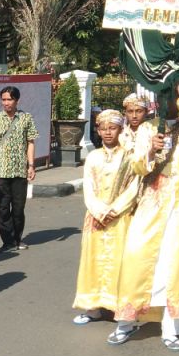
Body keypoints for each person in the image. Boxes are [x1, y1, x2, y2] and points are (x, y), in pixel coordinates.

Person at [110, 85, 179, 350]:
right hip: (152, 198)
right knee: (135, 255)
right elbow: (138, 166)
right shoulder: (149, 128)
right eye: (162, 97)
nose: (167, 103)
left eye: (172, 97)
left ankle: (171, 329)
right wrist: (150, 149)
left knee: (174, 264)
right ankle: (125, 323)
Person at [72, 110, 139, 325]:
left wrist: (116, 210)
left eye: (113, 128)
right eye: (103, 128)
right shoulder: (93, 156)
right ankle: (93, 307)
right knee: (94, 260)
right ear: (98, 131)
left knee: (121, 261)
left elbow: (134, 186)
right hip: (96, 216)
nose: (108, 133)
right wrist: (99, 211)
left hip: (121, 217)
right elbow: (89, 188)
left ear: (121, 129)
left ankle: (120, 306)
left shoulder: (129, 156)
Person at [0, 85, 37, 251]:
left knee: (19, 208)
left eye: (9, 99)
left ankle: (18, 239)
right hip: (0, 170)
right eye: (4, 99)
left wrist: (31, 165)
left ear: (16, 100)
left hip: (20, 170)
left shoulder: (25, 118)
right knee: (3, 207)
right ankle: (7, 241)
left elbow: (31, 142)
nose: (6, 103)